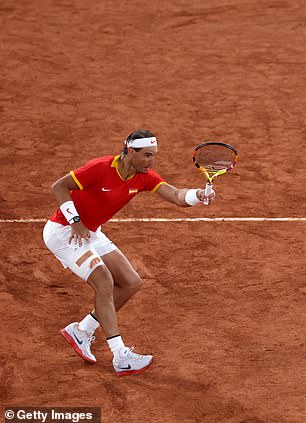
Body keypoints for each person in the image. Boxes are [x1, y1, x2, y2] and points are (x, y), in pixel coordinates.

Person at [43, 129, 214, 376]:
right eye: (146, 155)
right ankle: (120, 355)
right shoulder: (100, 167)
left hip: (90, 232)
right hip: (65, 233)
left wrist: (199, 195)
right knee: (103, 281)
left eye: (153, 155)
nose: (151, 161)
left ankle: (82, 332)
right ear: (130, 152)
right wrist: (75, 221)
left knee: (131, 282)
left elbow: (176, 196)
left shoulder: (143, 177)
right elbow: (59, 186)